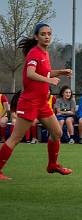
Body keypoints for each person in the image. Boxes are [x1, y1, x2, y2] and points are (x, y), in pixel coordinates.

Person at [0, 23, 73, 180]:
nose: (47, 36)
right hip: (29, 102)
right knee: (15, 138)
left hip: (41, 103)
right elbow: (31, 73)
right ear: (36, 37)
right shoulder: (34, 53)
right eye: (43, 34)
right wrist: (49, 80)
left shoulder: (45, 53)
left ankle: (52, 165)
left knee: (57, 132)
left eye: (49, 34)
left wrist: (60, 72)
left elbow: (44, 72)